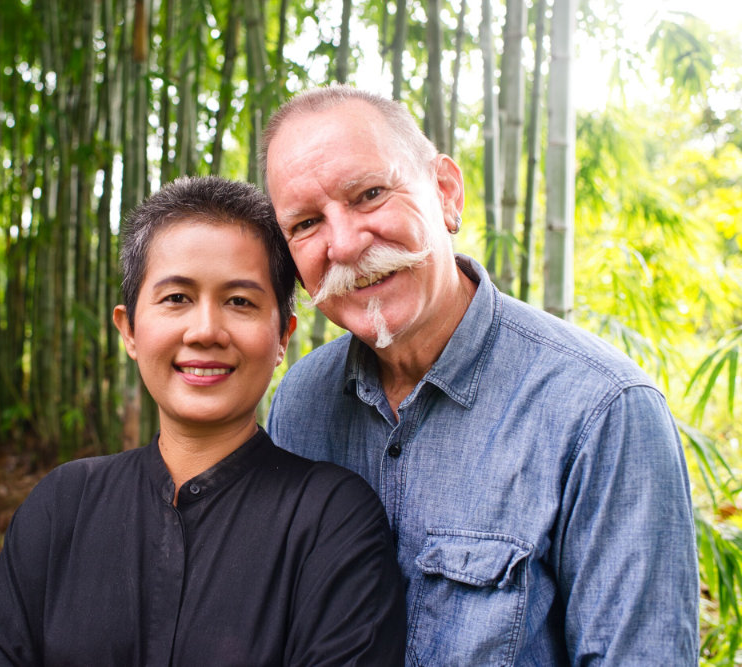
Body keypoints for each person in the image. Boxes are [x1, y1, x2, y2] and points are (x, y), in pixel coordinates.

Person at [262, 85, 699, 665]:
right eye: (306, 224)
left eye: (369, 194)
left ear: (445, 192)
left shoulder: (602, 412)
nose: (343, 244)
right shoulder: (300, 403)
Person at [0, 176, 406, 666]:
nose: (206, 331)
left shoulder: (332, 521)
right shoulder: (63, 506)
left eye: (240, 301)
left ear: (283, 335)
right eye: (176, 298)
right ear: (129, 329)